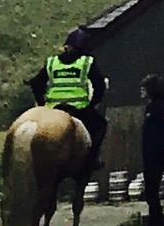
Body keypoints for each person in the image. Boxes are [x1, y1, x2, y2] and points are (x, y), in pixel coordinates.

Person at [27, 28, 109, 166]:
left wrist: (42, 106)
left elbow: (36, 84)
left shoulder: (52, 62)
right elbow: (99, 86)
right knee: (101, 125)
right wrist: (91, 105)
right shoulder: (86, 62)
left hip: (52, 110)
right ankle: (92, 160)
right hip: (78, 110)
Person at [132, 77, 164, 226]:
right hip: (150, 153)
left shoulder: (157, 107)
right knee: (151, 193)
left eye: (144, 88)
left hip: (155, 154)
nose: (141, 91)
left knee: (152, 194)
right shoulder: (150, 107)